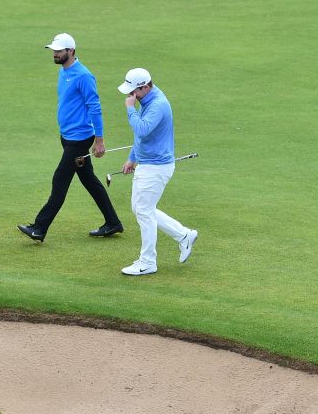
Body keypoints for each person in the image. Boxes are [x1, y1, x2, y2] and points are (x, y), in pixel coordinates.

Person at [18, 33, 123, 243]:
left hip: (80, 139)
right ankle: (113, 222)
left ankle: (39, 228)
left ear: (71, 51)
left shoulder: (83, 75)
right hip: (67, 137)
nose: (55, 54)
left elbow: (95, 107)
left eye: (59, 51)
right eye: (54, 50)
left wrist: (99, 140)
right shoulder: (64, 72)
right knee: (89, 180)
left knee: (60, 179)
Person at [116, 68, 198, 276]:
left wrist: (129, 109)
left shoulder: (157, 105)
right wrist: (132, 158)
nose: (130, 96)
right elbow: (142, 138)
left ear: (144, 87)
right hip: (147, 163)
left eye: (133, 92)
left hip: (156, 167)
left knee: (143, 211)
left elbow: (141, 129)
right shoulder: (147, 101)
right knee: (142, 208)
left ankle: (148, 262)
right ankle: (184, 235)